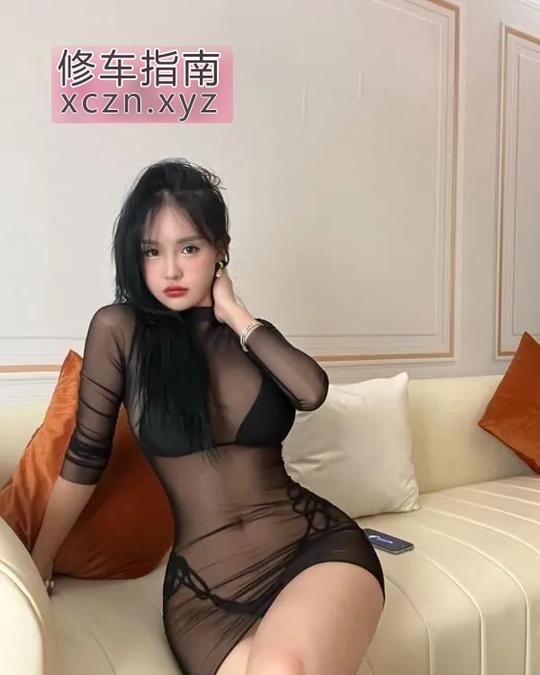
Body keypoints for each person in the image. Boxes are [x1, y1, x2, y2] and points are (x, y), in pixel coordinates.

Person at [32, 158, 386, 675]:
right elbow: (86, 456)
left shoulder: (248, 337)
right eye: (152, 251)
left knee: (283, 667)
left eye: (189, 248)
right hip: (208, 593)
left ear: (220, 250)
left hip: (312, 548)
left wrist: (236, 314)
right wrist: (40, 559)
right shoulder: (120, 330)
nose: (170, 271)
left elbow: (311, 392)